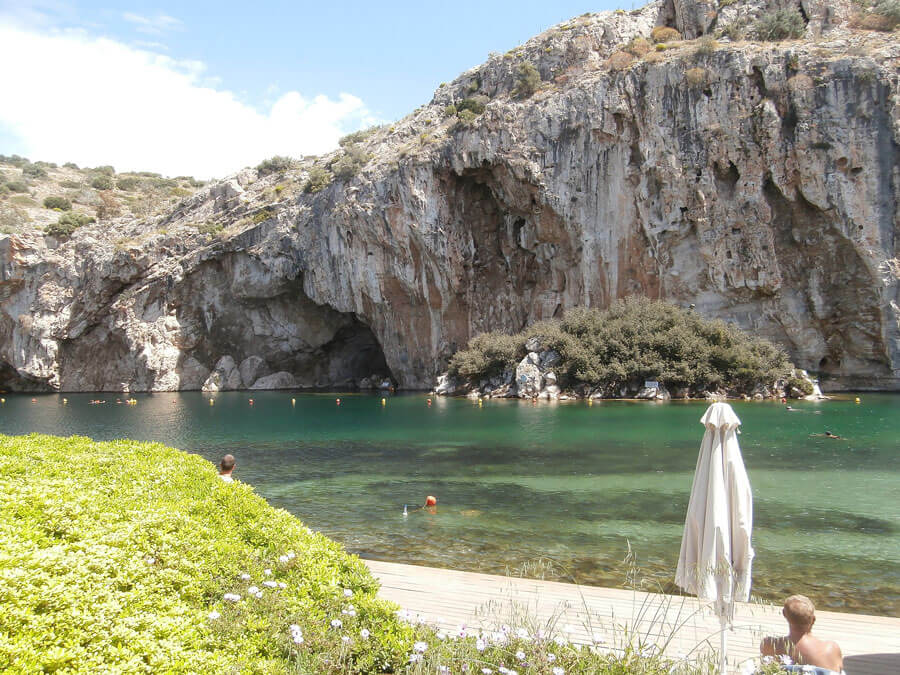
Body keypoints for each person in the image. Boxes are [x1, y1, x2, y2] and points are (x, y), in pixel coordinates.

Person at [760, 595, 844, 673]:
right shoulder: (832, 648)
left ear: (784, 614)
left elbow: (765, 669)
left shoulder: (769, 645)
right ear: (813, 619)